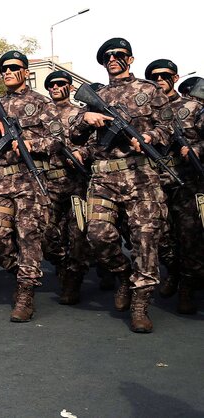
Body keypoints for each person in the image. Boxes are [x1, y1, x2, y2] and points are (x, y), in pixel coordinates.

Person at [70, 38, 172, 333]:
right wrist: (84, 117)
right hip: (103, 177)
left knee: (146, 239)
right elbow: (75, 133)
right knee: (98, 235)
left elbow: (167, 127)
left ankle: (140, 302)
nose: (113, 59)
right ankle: (122, 273)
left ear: (131, 59)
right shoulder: (96, 94)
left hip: (140, 175)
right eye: (107, 56)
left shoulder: (149, 90)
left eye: (119, 55)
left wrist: (151, 138)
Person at [0, 51, 58, 322]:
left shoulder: (41, 103)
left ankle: (26, 292)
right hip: (2, 179)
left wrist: (31, 144)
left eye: (14, 67)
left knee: (28, 237)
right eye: (4, 68)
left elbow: (57, 139)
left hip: (29, 178)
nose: (8, 72)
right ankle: (20, 272)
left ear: (26, 71)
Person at [144, 59, 204, 314]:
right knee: (161, 238)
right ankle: (174, 272)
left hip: (187, 184)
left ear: (176, 78)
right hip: (153, 183)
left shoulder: (192, 107)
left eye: (164, 75)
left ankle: (187, 287)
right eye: (154, 76)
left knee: (189, 238)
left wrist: (196, 149)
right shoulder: (144, 110)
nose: (159, 80)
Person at [41, 70, 91, 304]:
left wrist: (82, 152)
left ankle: (73, 281)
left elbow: (94, 142)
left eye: (61, 84)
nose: (55, 87)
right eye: (51, 85)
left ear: (70, 87)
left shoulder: (81, 114)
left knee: (77, 234)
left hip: (76, 183)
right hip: (48, 182)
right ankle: (62, 264)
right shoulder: (40, 114)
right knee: (45, 233)